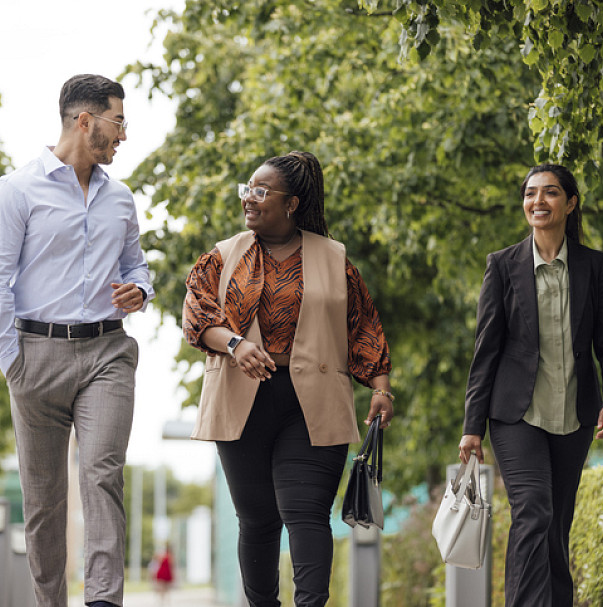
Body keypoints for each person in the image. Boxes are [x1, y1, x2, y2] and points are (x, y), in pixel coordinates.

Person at [183, 151, 394, 606]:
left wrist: (380, 389)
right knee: (257, 520)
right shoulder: (223, 256)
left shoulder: (333, 258)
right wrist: (236, 345)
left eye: (261, 192)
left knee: (307, 514)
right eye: (248, 190)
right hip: (243, 400)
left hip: (313, 404)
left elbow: (363, 326)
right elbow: (198, 314)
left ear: (292, 203)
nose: (250, 200)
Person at [0, 74, 154, 607]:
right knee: (44, 503)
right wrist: (12, 362)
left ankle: (103, 599)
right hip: (36, 355)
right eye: (118, 122)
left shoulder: (121, 199)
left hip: (107, 354)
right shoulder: (18, 190)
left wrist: (140, 289)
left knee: (102, 474)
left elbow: (136, 265)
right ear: (83, 121)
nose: (123, 136)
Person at [459, 164, 603, 607]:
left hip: (574, 412)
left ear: (571, 203)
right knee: (533, 510)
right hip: (515, 413)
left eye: (550, 193)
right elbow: (486, 349)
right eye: (530, 194)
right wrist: (472, 426)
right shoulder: (503, 266)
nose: (538, 201)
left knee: (557, 524)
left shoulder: (596, 267)